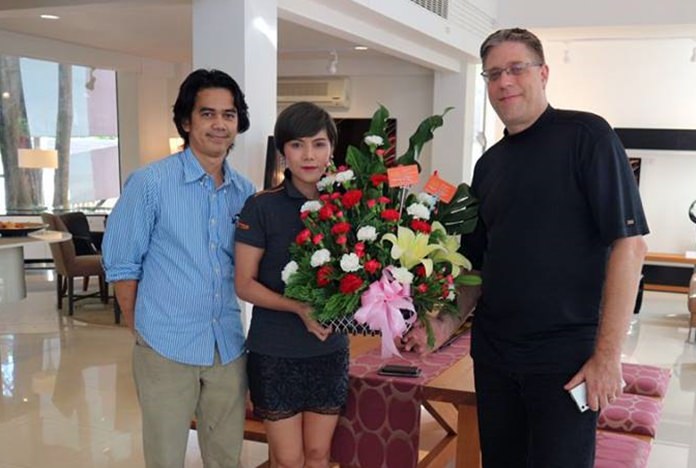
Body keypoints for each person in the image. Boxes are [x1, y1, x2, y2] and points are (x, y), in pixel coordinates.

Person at [401, 28, 649, 467]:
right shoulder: (489, 165)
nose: (505, 82)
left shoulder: (587, 136)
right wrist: (439, 326)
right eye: (493, 74)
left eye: (517, 68)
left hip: (566, 359)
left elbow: (630, 246)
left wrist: (608, 357)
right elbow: (476, 268)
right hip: (495, 358)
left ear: (544, 73)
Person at [102, 69, 255, 468]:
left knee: (226, 457)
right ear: (186, 121)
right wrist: (142, 331)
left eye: (229, 114)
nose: (219, 124)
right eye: (207, 114)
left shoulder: (245, 191)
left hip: (226, 345)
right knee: (166, 457)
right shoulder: (150, 183)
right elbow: (122, 264)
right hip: (165, 345)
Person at [235, 102, 348, 468]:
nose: (309, 155)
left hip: (328, 350)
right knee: (287, 459)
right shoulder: (261, 206)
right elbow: (244, 284)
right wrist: (298, 308)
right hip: (275, 351)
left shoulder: (349, 205)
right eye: (297, 145)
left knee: (318, 454)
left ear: (331, 148)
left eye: (318, 144)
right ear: (283, 151)